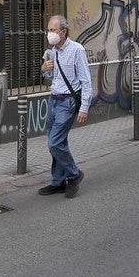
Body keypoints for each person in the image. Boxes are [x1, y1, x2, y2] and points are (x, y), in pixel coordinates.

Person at [38, 15, 93, 199]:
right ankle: (58, 181)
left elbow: (86, 81)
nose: (49, 33)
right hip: (54, 99)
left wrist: (84, 108)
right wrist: (44, 70)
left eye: (52, 30)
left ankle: (74, 174)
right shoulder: (52, 52)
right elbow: (51, 78)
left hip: (68, 102)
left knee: (54, 143)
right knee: (58, 143)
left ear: (63, 32)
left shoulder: (77, 50)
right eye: (49, 30)